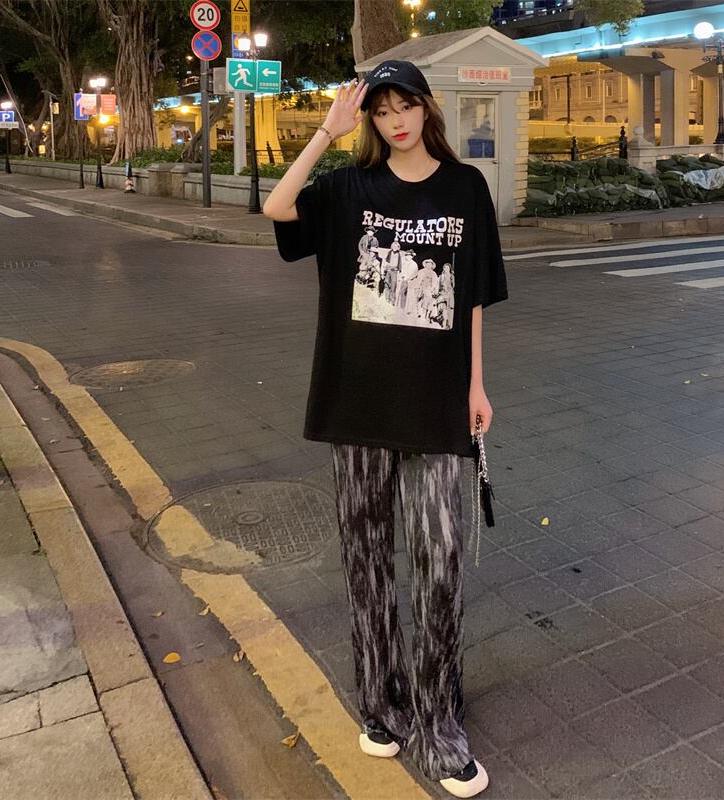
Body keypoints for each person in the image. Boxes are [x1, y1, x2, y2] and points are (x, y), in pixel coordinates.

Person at [263, 59, 507, 799]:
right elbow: (277, 207)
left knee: (441, 561)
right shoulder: (349, 188)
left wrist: (476, 383)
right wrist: (325, 133)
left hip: (435, 403)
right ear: (369, 120)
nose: (396, 121)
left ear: (428, 109)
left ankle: (439, 724)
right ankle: (381, 704)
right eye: (381, 110)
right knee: (366, 562)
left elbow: (471, 297)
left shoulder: (465, 188)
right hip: (357, 402)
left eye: (406, 106)